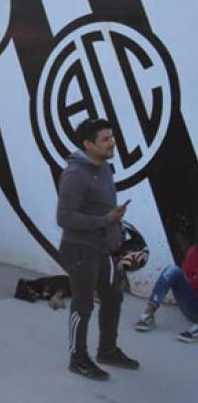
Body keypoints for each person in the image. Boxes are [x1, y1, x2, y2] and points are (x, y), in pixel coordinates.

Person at [57, 118, 138, 380]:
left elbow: (101, 209)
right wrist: (104, 221)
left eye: (111, 137)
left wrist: (116, 232)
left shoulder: (104, 168)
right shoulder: (74, 175)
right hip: (80, 249)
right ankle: (78, 358)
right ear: (88, 144)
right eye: (105, 139)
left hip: (104, 248)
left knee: (113, 297)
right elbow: (64, 217)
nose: (112, 142)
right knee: (82, 305)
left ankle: (107, 350)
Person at [133, 237, 198, 343]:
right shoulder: (194, 252)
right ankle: (147, 315)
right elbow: (186, 278)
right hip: (192, 304)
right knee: (172, 270)